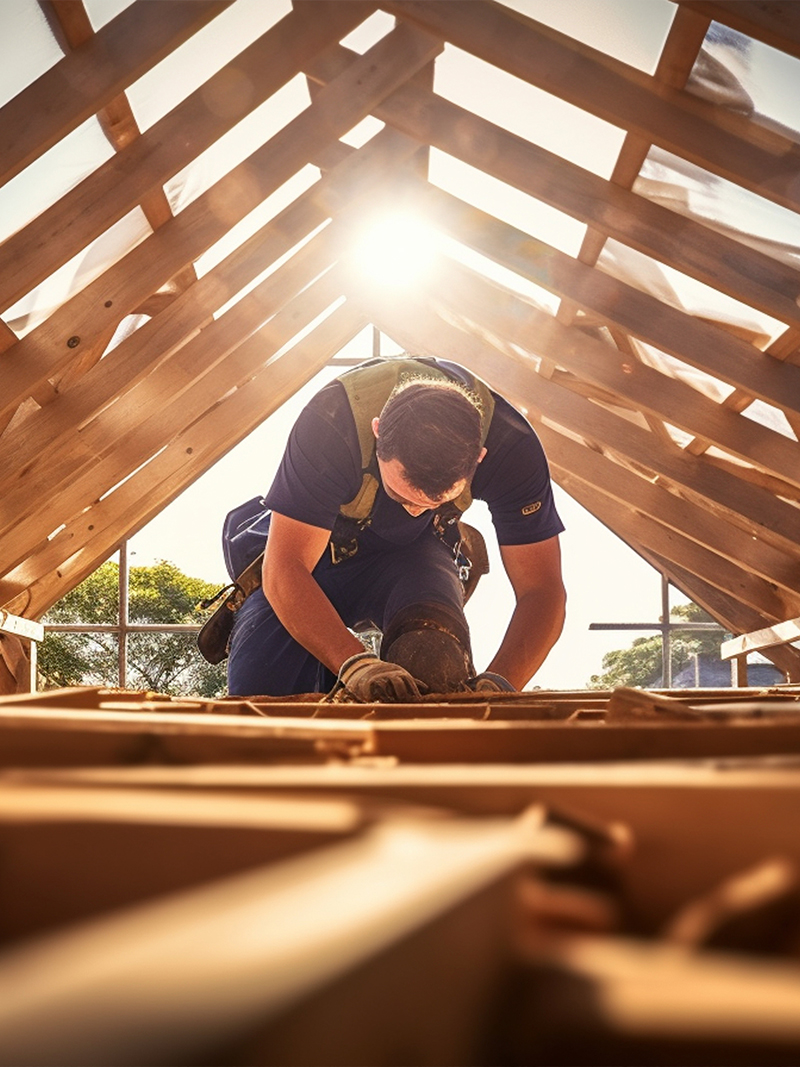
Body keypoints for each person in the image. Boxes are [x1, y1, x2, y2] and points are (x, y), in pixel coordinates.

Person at [224, 355, 566, 701]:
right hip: (317, 556)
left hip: (416, 557)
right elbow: (286, 566)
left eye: (433, 503)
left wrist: (501, 683)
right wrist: (355, 665)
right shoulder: (331, 424)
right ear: (377, 432)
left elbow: (542, 589)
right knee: (265, 693)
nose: (415, 510)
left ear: (479, 458)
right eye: (400, 494)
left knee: (434, 656)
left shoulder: (513, 450)